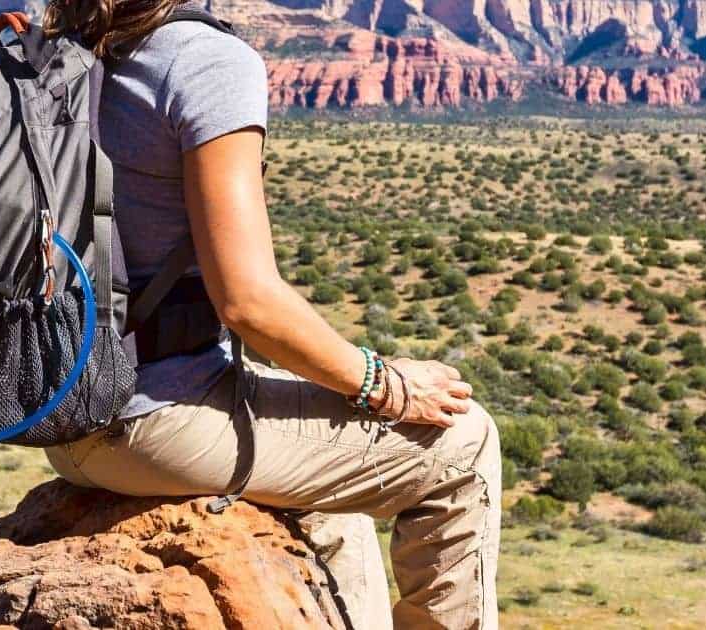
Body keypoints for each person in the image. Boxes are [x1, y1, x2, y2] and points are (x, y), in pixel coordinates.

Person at [42, 1, 501, 628]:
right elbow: (248, 301)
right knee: (464, 442)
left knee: (335, 507)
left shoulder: (67, 47)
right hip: (154, 423)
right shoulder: (204, 59)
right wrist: (385, 384)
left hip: (67, 413)